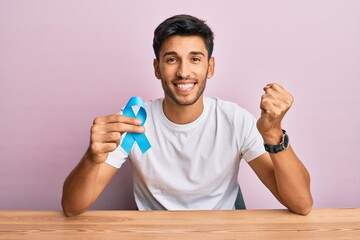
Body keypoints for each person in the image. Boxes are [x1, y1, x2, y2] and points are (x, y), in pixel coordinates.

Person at [61, 14, 313, 216]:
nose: (184, 72)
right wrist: (92, 157)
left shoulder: (235, 121)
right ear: (157, 68)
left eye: (195, 59)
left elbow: (301, 204)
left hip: (222, 233)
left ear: (210, 67)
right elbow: (72, 208)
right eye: (172, 60)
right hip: (156, 234)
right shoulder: (134, 123)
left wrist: (272, 133)